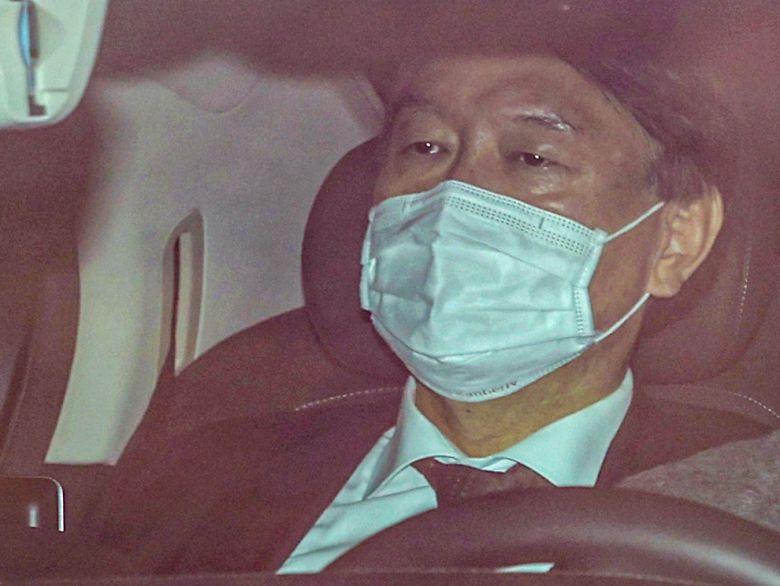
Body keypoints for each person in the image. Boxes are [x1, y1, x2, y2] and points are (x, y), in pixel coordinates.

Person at [33, 51, 770, 578]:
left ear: (677, 239)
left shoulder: (743, 502)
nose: (454, 198)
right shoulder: (206, 470)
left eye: (532, 158)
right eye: (425, 146)